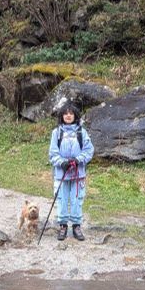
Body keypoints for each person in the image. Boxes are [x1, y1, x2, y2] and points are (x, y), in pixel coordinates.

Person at [48, 101, 94, 241]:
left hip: (78, 174)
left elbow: (89, 150)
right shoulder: (56, 133)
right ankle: (63, 226)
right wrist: (62, 163)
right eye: (65, 113)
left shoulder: (82, 132)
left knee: (77, 199)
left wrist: (78, 160)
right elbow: (53, 153)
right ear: (62, 116)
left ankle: (76, 226)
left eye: (71, 113)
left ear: (75, 116)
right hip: (61, 173)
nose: (68, 116)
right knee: (61, 199)